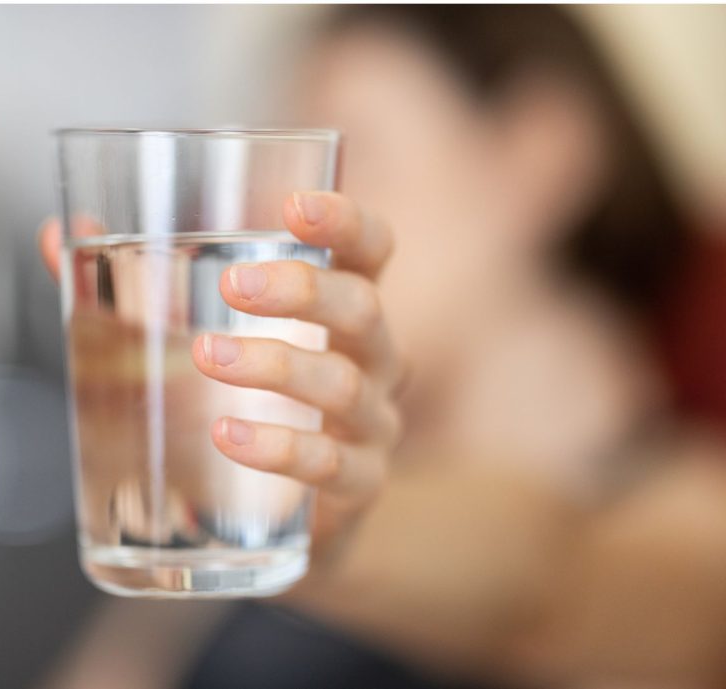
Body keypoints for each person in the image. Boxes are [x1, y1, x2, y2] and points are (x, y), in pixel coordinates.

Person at [39, 6, 726, 688]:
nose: (278, 212)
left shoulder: (685, 513)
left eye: (352, 150)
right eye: (278, 171)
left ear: (541, 151)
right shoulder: (253, 488)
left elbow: (548, 587)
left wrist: (329, 533)